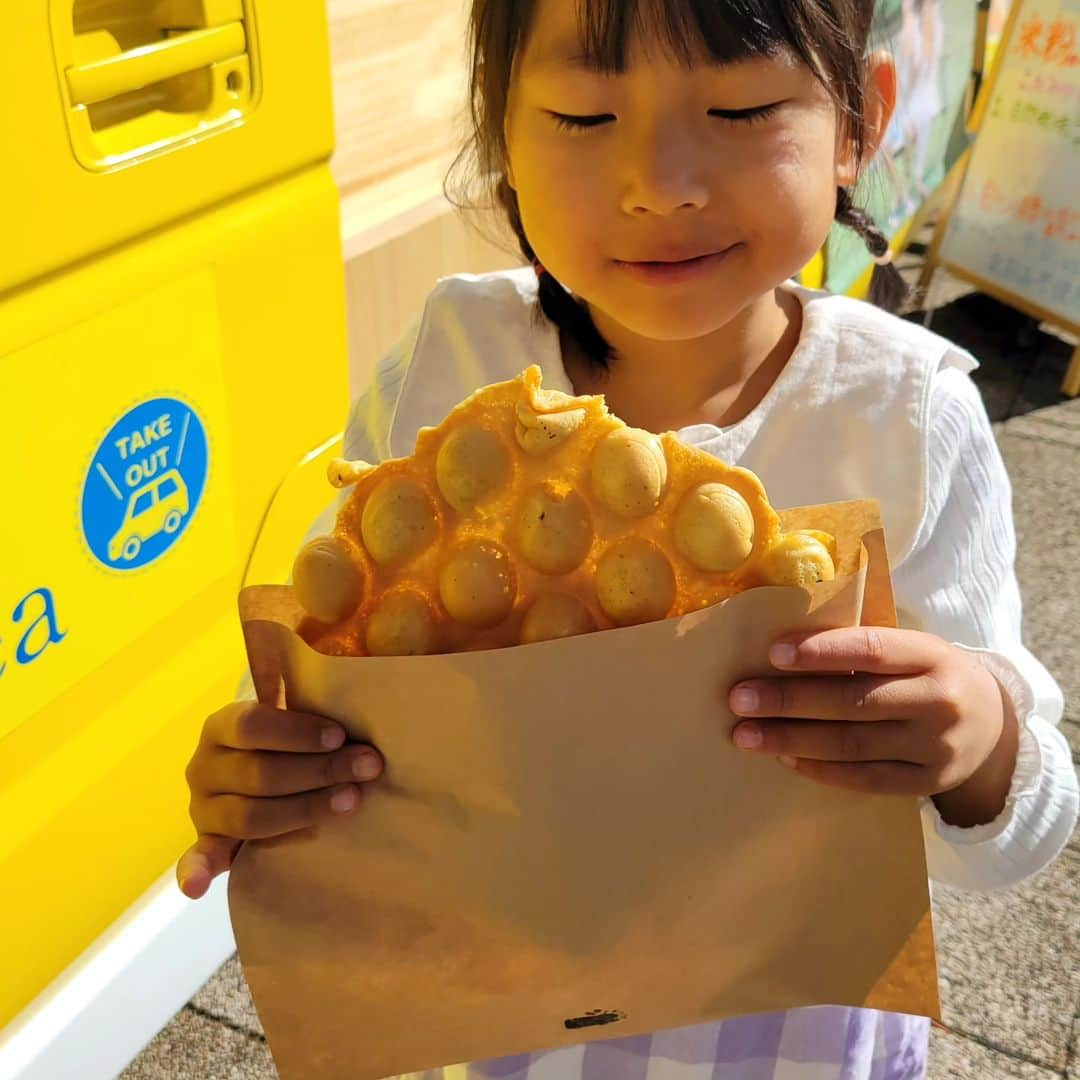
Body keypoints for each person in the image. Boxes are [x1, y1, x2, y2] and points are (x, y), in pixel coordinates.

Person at [178, 0, 1079, 1076]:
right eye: (583, 115)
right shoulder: (447, 366)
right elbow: (358, 696)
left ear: (858, 123)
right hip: (522, 1013)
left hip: (791, 1021)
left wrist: (976, 744)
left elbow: (1019, 833)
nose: (662, 181)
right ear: (499, 131)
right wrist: (272, 777)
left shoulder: (901, 415)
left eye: (741, 106)